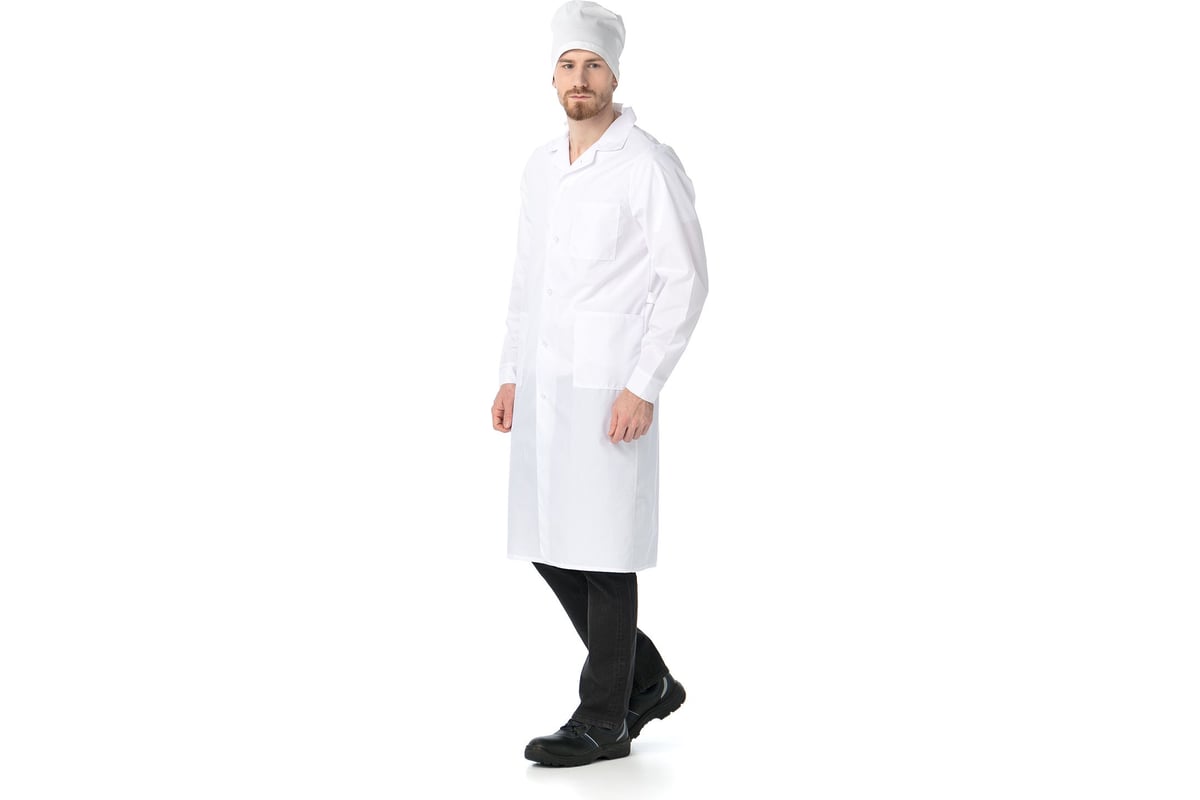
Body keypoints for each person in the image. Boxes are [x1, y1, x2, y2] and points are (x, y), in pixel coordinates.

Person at [491, 0, 708, 768]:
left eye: (592, 66)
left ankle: (604, 719)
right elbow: (528, 279)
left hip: (609, 386)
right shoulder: (541, 167)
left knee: (605, 552)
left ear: (614, 76)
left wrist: (643, 384)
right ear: (552, 77)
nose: (579, 78)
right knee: (549, 540)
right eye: (567, 65)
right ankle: (645, 681)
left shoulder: (645, 164)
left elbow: (686, 280)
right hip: (544, 385)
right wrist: (510, 372)